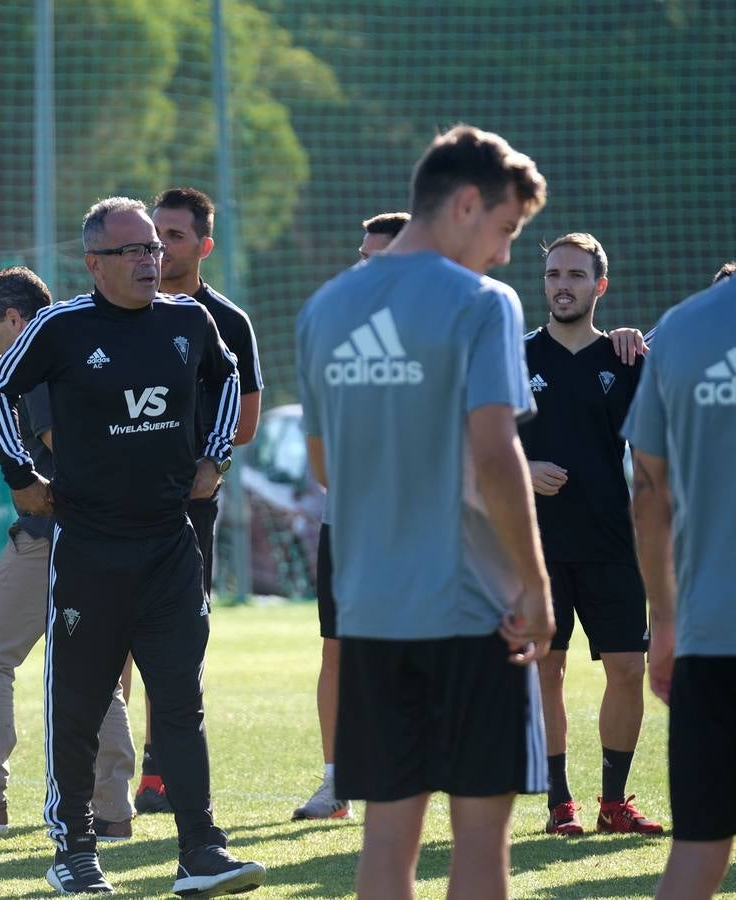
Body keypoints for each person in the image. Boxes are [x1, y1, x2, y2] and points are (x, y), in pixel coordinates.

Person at [296, 124, 553, 900]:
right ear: (468, 204)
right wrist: (534, 585)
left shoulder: (324, 308)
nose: (506, 254)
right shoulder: (482, 301)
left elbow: (323, 467)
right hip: (473, 612)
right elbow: (495, 451)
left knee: (386, 848)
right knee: (479, 848)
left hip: (371, 611)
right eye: (506, 229)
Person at [0, 198, 264, 896]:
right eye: (134, 251)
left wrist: (214, 455)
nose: (151, 261)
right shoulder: (61, 327)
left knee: (180, 703)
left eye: (154, 250)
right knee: (77, 706)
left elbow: (227, 377)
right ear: (94, 263)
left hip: (170, 547)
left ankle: (201, 850)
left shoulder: (188, 321)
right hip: (89, 550)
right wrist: (23, 476)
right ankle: (75, 853)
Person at [0, 267, 137, 840]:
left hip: (54, 537)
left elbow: (69, 448)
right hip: (112, 536)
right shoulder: (81, 342)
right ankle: (112, 810)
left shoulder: (37, 365)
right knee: (99, 674)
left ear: (17, 321)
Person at [519, 232, 663, 836]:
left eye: (576, 275)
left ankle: (614, 802)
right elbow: (473, 444)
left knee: (628, 669)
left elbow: (655, 461)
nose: (562, 285)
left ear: (599, 286)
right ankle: (559, 805)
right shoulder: (514, 355)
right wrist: (522, 469)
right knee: (547, 671)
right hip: (535, 546)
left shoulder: (627, 358)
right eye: (554, 274)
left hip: (612, 543)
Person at [132, 187, 265, 816]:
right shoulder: (120, 311)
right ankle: (111, 771)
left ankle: (160, 773)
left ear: (204, 246)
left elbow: (244, 424)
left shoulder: (227, 322)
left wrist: (198, 455)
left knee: (176, 640)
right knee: (109, 641)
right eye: (154, 234)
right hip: (115, 504)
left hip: (189, 508)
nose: (160, 248)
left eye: (174, 236)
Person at [293, 209, 408, 822]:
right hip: (350, 523)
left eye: (377, 259)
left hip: (423, 526)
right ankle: (337, 782)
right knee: (337, 652)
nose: (362, 270)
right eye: (360, 258)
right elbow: (323, 453)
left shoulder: (446, 329)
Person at [624, 274, 736, 900]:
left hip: (707, 631)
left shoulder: (684, 326)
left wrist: (664, 621)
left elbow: (647, 492)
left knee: (697, 851)